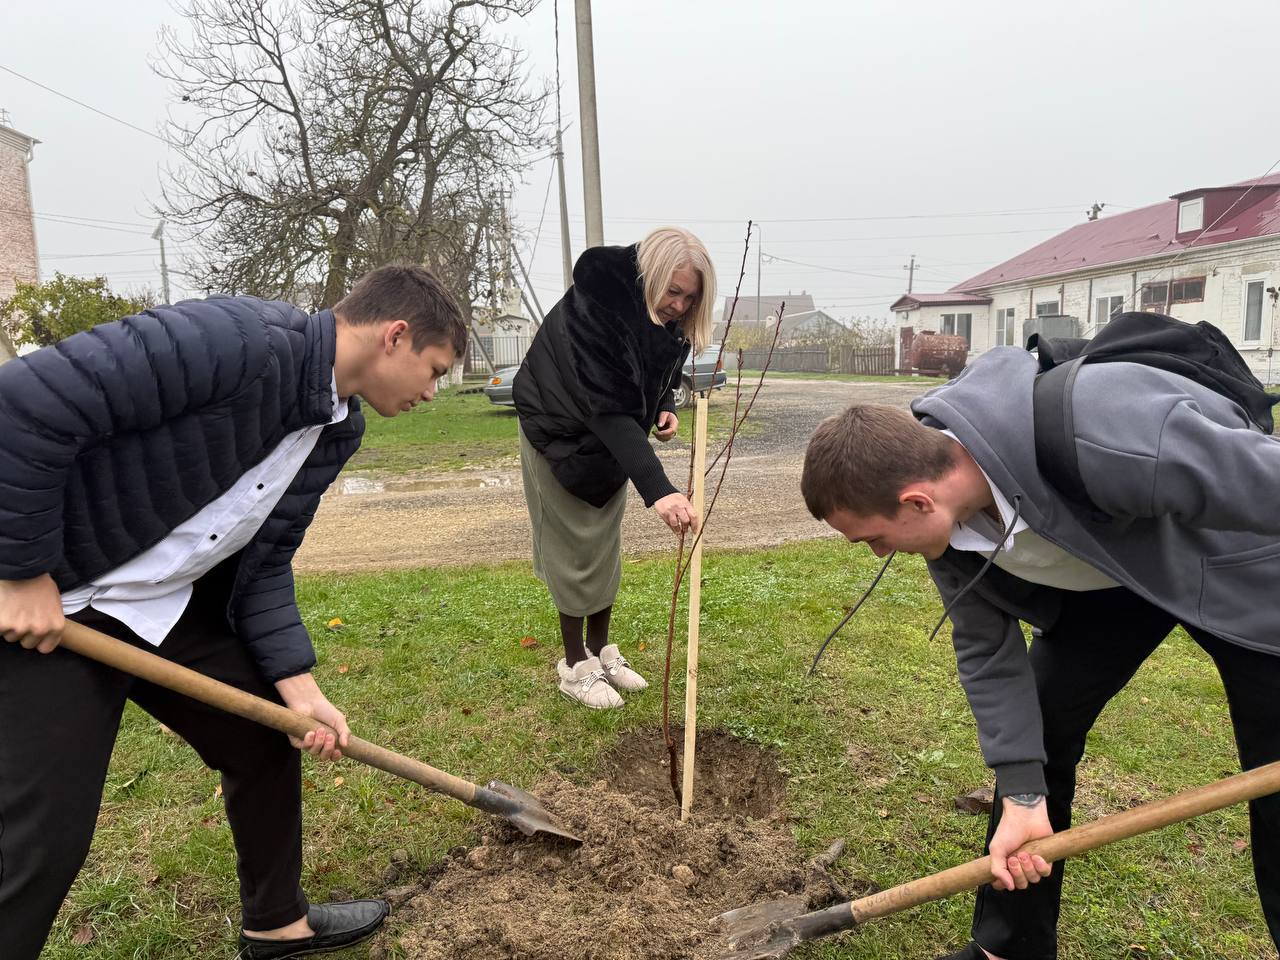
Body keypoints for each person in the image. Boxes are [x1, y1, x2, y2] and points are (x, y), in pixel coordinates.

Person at [0, 265, 466, 960]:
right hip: (58, 609)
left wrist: (297, 685)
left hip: (158, 606)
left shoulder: (337, 429)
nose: (431, 392)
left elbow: (263, 561)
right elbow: (22, 403)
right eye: (434, 370)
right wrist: (22, 572)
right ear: (395, 336)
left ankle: (277, 925)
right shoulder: (235, 340)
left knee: (266, 734)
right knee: (39, 840)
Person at [800, 346, 1280, 960]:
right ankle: (1011, 947)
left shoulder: (1104, 432)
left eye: (873, 538)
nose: (878, 554)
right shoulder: (948, 533)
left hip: (1231, 557)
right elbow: (986, 652)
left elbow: (1265, 482)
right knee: (1039, 731)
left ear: (917, 501)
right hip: (1112, 577)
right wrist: (1023, 794)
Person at [513, 227, 715, 709]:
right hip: (558, 432)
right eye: (673, 292)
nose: (680, 306)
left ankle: (601, 651)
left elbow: (653, 370)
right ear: (652, 276)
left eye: (690, 298)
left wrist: (663, 403)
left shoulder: (662, 315)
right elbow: (606, 405)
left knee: (604, 543)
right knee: (572, 546)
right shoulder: (598, 304)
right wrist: (659, 488)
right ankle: (573, 665)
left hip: (609, 438)